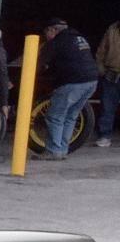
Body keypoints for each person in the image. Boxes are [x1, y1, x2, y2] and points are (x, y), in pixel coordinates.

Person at [38, 17, 101, 159]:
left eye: (46, 32)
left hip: (73, 82)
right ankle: (62, 150)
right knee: (71, 116)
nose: (46, 36)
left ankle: (53, 151)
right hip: (91, 81)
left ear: (52, 30)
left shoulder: (57, 42)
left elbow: (43, 64)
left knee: (54, 116)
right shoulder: (78, 38)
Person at [96, 18, 120, 146]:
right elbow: (101, 51)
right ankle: (104, 136)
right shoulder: (112, 28)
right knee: (107, 107)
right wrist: (101, 70)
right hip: (111, 73)